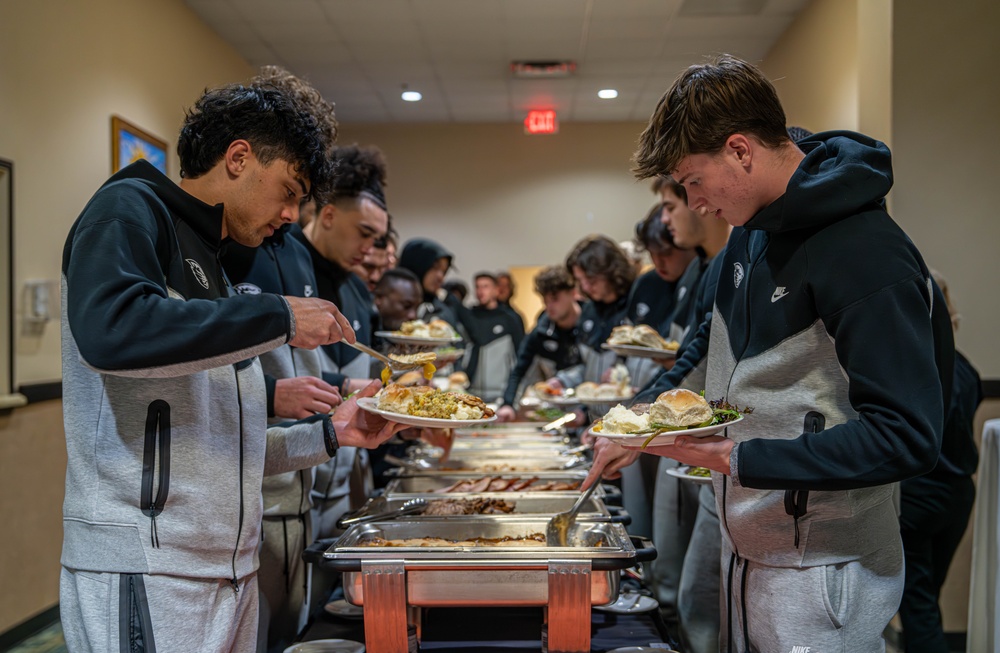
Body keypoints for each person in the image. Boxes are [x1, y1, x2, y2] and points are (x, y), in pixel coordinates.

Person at [619, 53, 953, 652]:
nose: (692, 204)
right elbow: (708, 341)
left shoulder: (866, 249)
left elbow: (908, 435)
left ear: (740, 150)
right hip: (750, 548)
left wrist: (737, 458)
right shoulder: (748, 231)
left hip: (827, 567)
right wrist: (632, 421)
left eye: (693, 181)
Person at [60, 79, 404, 653]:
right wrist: (279, 317)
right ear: (239, 157)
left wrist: (328, 434)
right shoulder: (129, 210)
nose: (292, 216)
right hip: (148, 562)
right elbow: (111, 331)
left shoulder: (215, 261)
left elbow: (220, 439)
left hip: (226, 564)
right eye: (289, 192)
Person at [292, 144, 390, 543]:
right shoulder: (281, 259)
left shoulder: (358, 292)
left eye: (377, 238)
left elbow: (362, 378)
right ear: (328, 214)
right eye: (364, 233)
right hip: (283, 484)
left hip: (342, 477)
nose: (370, 249)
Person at [898, 271, 982, 653]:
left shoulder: (915, 366)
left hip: (919, 494)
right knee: (926, 598)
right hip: (959, 495)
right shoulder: (966, 368)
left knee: (918, 605)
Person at [496, 266, 582, 421]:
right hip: (558, 413)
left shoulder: (592, 323)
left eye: (555, 299)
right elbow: (519, 370)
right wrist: (508, 404)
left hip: (592, 413)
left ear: (573, 293)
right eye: (545, 300)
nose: (549, 307)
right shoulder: (541, 332)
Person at [553, 235, 635, 390]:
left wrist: (620, 374)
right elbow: (586, 366)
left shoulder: (636, 304)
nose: (585, 287)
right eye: (580, 280)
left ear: (611, 271)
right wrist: (563, 380)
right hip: (594, 410)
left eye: (591, 280)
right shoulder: (588, 311)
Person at [447, 272, 525, 403]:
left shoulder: (510, 318)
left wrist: (515, 393)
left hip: (500, 394)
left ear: (496, 290)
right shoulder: (471, 316)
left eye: (485, 286)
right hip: (471, 391)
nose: (480, 291)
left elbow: (521, 355)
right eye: (477, 287)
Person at [398, 237, 459, 328]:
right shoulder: (391, 305)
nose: (441, 277)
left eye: (444, 271)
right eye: (435, 267)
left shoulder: (441, 311)